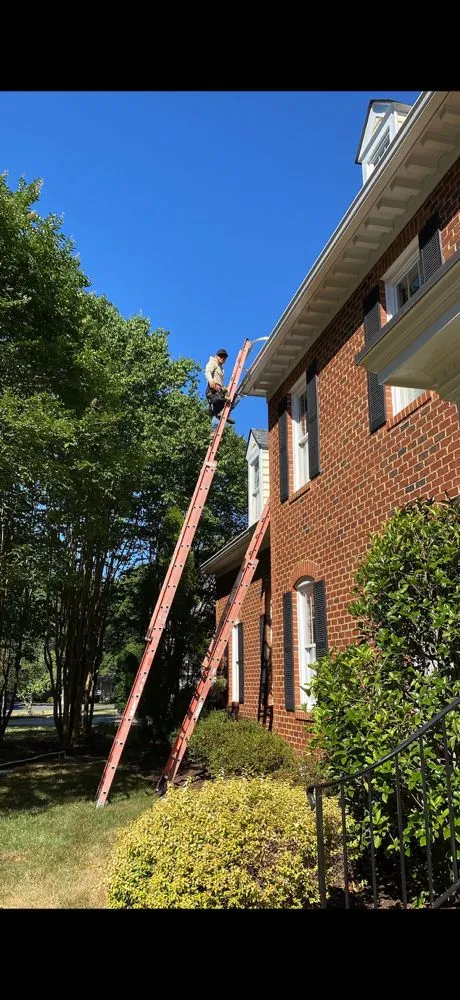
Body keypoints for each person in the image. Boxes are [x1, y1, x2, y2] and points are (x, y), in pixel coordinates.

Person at [205, 348, 236, 426]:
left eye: (224, 357)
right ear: (216, 356)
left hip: (219, 389)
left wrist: (224, 389)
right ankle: (222, 415)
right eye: (220, 356)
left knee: (218, 410)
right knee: (234, 397)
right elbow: (208, 372)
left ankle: (214, 431)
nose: (222, 358)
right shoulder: (213, 362)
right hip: (213, 389)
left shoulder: (221, 368)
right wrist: (211, 381)